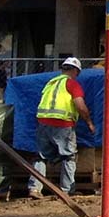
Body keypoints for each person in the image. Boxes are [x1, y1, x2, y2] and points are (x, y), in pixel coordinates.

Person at [32, 57, 92, 198]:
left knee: (41, 157)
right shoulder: (72, 84)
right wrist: (89, 122)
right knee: (69, 157)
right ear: (75, 71)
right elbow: (80, 106)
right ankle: (66, 190)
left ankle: (34, 188)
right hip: (63, 124)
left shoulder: (51, 83)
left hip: (43, 123)